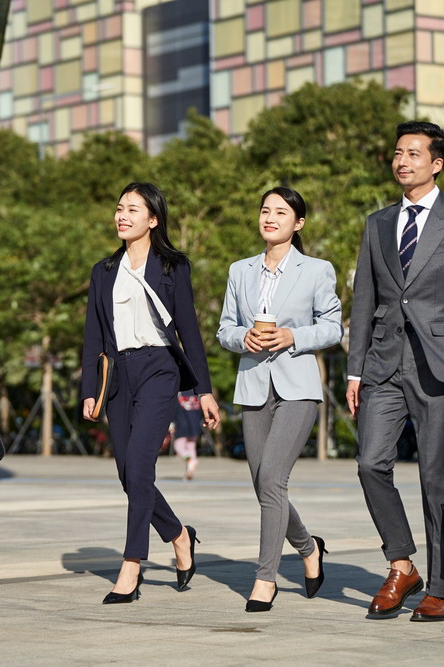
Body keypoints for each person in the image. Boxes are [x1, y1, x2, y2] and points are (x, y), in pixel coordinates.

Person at [346, 121, 444, 622]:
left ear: (436, 163)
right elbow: (364, 299)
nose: (402, 161)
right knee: (370, 463)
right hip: (383, 364)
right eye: (397, 153)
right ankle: (401, 563)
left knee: (435, 479)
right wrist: (353, 370)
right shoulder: (377, 224)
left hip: (443, 367)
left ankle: (441, 588)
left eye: (413, 153)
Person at [81, 182, 220, 604]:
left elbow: (189, 330)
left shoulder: (172, 266)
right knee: (128, 473)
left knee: (141, 468)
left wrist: (205, 390)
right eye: (119, 208)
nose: (122, 215)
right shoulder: (103, 272)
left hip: (159, 369)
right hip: (118, 373)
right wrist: (90, 389)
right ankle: (179, 535)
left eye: (133, 210)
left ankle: (131, 566)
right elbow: (92, 337)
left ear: (153, 219)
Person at [216, 186, 342, 612]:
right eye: (265, 210)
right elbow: (224, 330)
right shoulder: (240, 271)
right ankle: (309, 549)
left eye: (281, 212)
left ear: (298, 223)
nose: (270, 218)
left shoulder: (317, 270)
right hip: (253, 385)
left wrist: (293, 336)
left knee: (272, 480)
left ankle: (264, 578)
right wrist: (243, 337)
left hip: (298, 388)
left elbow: (333, 327)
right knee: (262, 483)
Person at [172, 392, 203, 480]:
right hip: (195, 424)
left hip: (182, 424)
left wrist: (172, 422)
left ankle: (190, 460)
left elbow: (174, 409)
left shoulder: (179, 393)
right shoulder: (197, 394)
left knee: (178, 446)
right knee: (191, 446)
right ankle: (190, 470)